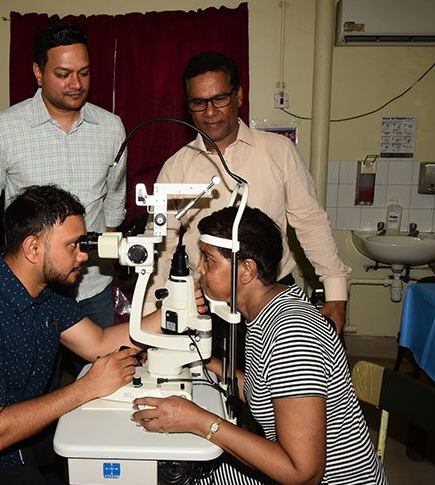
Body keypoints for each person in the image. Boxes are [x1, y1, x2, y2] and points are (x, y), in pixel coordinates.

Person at [0, 185, 159, 484]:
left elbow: (98, 343)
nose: (83, 255)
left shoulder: (47, 290)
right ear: (33, 248)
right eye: (72, 245)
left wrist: (169, 313)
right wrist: (87, 387)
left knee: (113, 444)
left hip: (23, 435)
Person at [133, 206, 388, 485]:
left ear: (246, 271)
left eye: (208, 259)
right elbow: (265, 390)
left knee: (182, 475)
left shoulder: (292, 334)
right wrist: (204, 361)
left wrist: (197, 420)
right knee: (182, 466)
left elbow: (303, 473)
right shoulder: (269, 311)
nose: (200, 269)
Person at [148, 51, 350, 334]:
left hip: (272, 297)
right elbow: (162, 242)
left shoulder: (279, 152)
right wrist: (151, 312)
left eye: (219, 99)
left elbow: (309, 222)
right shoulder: (177, 166)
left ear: (239, 96)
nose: (209, 112)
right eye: (198, 102)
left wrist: (336, 293)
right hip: (205, 303)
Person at [0, 21, 126, 328]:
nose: (76, 84)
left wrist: (106, 257)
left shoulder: (111, 128)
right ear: (38, 73)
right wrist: (0, 283)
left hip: (94, 285)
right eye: (63, 74)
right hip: (31, 290)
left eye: (84, 72)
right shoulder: (3, 129)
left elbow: (115, 201)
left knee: (108, 357)